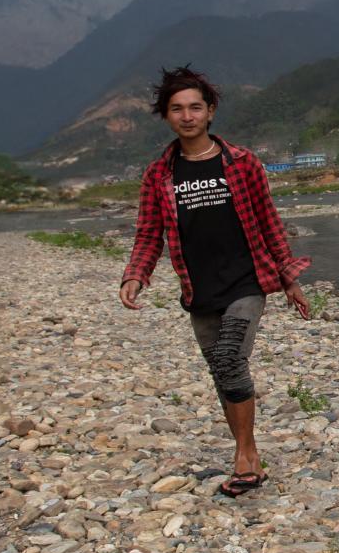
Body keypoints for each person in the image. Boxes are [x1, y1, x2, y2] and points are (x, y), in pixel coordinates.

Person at [118, 65, 311, 497]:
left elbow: (269, 222)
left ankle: (246, 457)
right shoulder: (158, 174)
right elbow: (150, 232)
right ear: (166, 116)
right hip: (199, 289)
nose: (187, 116)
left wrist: (289, 279)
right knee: (222, 371)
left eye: (195, 107)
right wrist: (136, 275)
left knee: (228, 358)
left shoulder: (242, 163)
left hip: (247, 281)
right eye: (176, 109)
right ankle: (247, 450)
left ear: (210, 112)